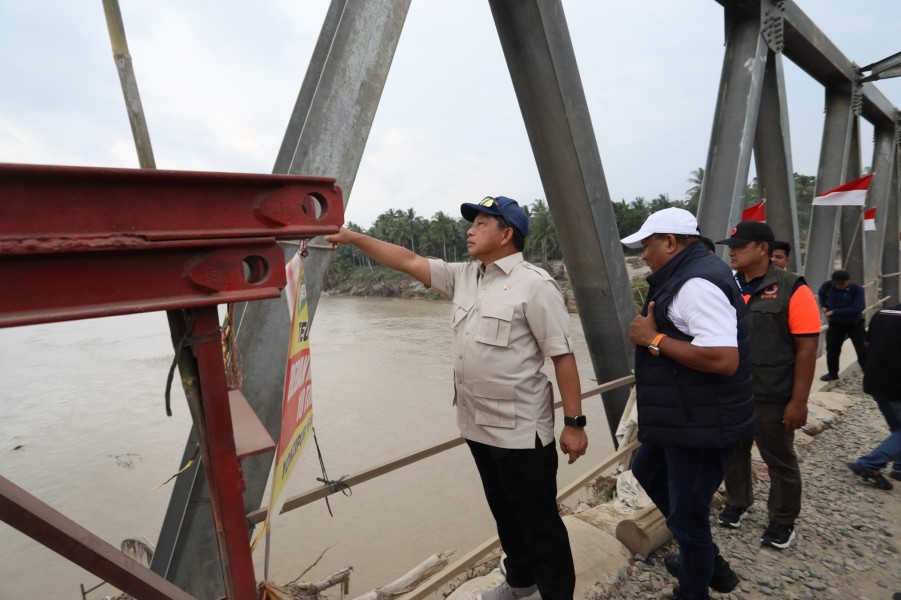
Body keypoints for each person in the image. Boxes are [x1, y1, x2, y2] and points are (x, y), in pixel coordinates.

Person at [325, 196, 587, 600]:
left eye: (481, 223)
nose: (470, 230)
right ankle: (522, 584)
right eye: (472, 223)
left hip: (520, 433)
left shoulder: (535, 285)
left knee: (539, 524)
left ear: (507, 234)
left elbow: (563, 356)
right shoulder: (465, 277)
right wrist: (354, 238)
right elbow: (408, 260)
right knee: (505, 515)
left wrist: (574, 424)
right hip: (478, 426)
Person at [621, 208, 755, 600]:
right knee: (646, 468)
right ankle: (708, 562)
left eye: (647, 245)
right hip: (685, 415)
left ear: (670, 242)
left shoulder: (696, 284)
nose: (644, 255)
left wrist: (653, 339)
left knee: (688, 517)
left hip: (701, 423)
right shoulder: (690, 274)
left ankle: (694, 589)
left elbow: (723, 359)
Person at [715, 221, 820, 550]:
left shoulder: (793, 288)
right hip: (733, 391)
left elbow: (807, 349)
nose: (732, 252)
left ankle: (782, 520)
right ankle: (738, 502)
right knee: (733, 453)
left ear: (763, 249)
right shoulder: (727, 286)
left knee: (779, 459)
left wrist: (798, 402)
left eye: (740, 246)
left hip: (772, 394)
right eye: (730, 246)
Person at [847, 302, 901, 490]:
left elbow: (867, 342)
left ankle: (899, 467)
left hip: (875, 379)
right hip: (897, 385)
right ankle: (868, 464)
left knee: (897, 427)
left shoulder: (883, 312)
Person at [817, 269, 867, 381]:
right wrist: (823, 305)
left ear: (848, 280)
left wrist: (834, 312)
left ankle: (869, 374)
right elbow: (821, 294)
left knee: (862, 350)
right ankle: (832, 373)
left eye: (842, 284)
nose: (839, 286)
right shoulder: (827, 286)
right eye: (837, 284)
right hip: (836, 323)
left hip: (854, 323)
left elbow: (857, 308)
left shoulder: (857, 289)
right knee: (832, 349)